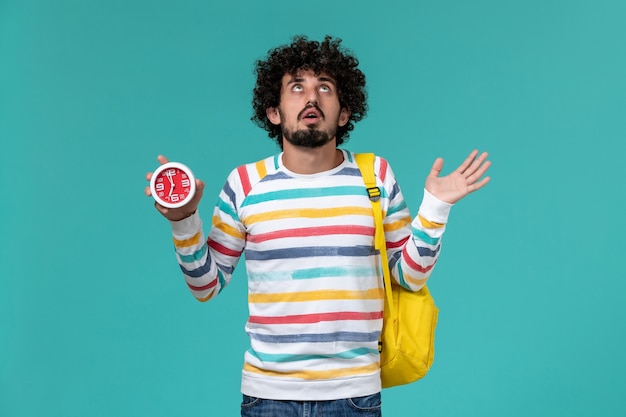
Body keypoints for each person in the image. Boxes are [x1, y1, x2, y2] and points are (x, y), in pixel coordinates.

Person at [145, 35, 490, 417]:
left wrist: (437, 207)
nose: (312, 97)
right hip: (267, 395)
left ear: (344, 113)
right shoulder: (243, 184)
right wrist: (182, 220)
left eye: (324, 87)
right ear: (274, 111)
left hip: (354, 394)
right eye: (297, 87)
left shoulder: (374, 175)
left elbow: (409, 276)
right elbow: (205, 286)